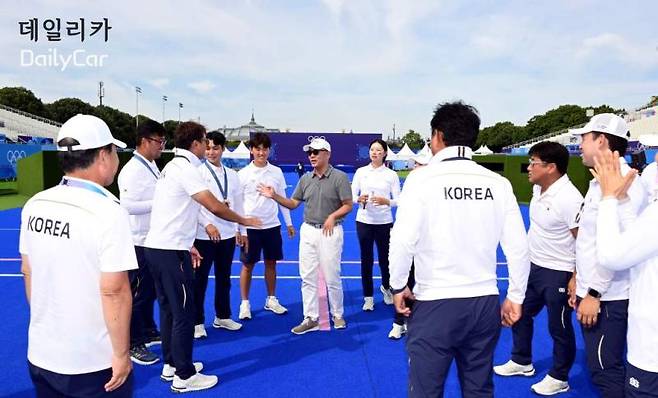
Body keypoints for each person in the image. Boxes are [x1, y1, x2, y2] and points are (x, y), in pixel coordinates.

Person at [388, 101, 530, 397]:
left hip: (435, 302)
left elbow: (402, 240)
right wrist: (515, 296)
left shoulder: (421, 179)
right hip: (484, 303)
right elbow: (518, 247)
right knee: (479, 389)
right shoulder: (498, 183)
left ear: (438, 135)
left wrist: (399, 285)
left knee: (426, 390)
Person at [20, 114, 136, 397]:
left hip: (41, 352)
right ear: (102, 156)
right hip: (91, 362)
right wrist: (121, 354)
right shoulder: (108, 211)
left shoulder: (36, 203)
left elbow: (28, 271)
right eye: (114, 152)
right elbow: (114, 291)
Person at [143, 121, 261, 393]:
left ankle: (172, 364)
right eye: (204, 141)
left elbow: (176, 210)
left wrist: (188, 243)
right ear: (195, 143)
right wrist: (243, 220)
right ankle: (184, 376)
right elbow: (213, 207)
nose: (207, 146)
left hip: (162, 248)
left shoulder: (172, 167)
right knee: (184, 312)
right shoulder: (187, 169)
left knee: (170, 310)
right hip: (170, 252)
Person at [494, 142, 582, 395]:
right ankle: (522, 361)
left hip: (559, 271)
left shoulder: (569, 198)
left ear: (551, 167)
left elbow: (584, 241)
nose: (529, 167)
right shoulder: (538, 189)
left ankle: (559, 376)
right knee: (519, 313)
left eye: (534, 162)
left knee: (559, 327)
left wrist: (576, 277)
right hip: (533, 267)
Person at [569, 113, 646, 398]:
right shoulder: (602, 182)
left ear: (601, 140)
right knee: (603, 367)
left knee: (606, 370)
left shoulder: (622, 187)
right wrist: (579, 277)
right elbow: (591, 240)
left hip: (607, 297)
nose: (579, 146)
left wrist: (594, 293)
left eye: (583, 139)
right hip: (596, 290)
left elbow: (619, 247)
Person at [258, 137, 353, 335]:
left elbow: (347, 205)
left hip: (331, 231)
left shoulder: (340, 177)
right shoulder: (305, 179)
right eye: (309, 152)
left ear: (327, 154)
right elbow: (293, 203)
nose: (311, 156)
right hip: (308, 230)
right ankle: (311, 317)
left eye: (316, 152)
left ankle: (337, 314)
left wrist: (332, 216)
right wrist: (274, 195)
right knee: (307, 276)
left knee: (332, 276)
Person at [593, 149, 658, 398]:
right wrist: (621, 201)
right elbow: (638, 241)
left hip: (651, 355)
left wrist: (608, 199)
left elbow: (611, 256)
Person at [117, 119, 166, 366]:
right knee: (138, 294)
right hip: (137, 241)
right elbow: (126, 206)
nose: (162, 146)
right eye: (159, 141)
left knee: (150, 291)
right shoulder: (132, 170)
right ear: (145, 141)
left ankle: (147, 330)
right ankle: (133, 343)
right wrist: (159, 203)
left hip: (151, 239)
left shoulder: (151, 165)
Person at [236, 132, 294, 320]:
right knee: (247, 265)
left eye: (264, 149)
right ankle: (245, 303)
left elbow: (282, 199)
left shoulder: (276, 172)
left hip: (272, 227)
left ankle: (271, 299)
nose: (261, 153)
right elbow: (237, 204)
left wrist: (289, 223)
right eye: (257, 149)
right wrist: (240, 229)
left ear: (269, 150)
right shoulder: (243, 174)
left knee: (271, 263)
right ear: (251, 150)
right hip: (250, 228)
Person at [193, 131, 244, 339]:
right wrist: (207, 224)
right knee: (200, 281)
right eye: (208, 147)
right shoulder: (196, 172)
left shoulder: (232, 175)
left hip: (227, 235)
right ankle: (196, 321)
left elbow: (239, 204)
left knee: (224, 278)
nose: (211, 152)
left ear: (223, 149)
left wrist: (242, 230)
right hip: (204, 235)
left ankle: (222, 316)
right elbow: (193, 204)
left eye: (215, 148)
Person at [352, 138, 401, 311]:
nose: (374, 153)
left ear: (385, 153)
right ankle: (368, 297)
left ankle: (387, 288)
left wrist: (385, 201)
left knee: (385, 259)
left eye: (379, 150)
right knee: (366, 259)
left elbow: (399, 200)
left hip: (384, 222)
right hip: (364, 221)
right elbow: (351, 196)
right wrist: (359, 199)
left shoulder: (391, 175)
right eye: (372, 149)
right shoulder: (360, 172)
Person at [388, 152, 428, 340]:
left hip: (430, 250)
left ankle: (416, 324)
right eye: (415, 164)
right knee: (406, 282)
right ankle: (399, 322)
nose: (415, 168)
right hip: (412, 245)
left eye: (419, 164)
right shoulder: (412, 183)